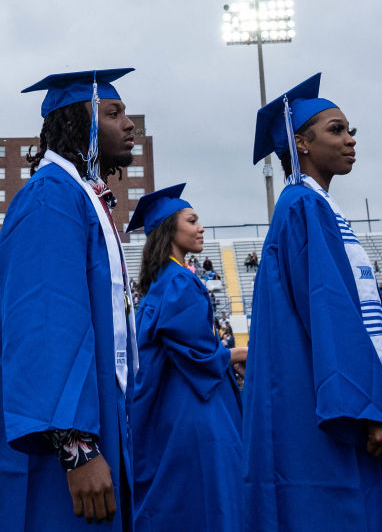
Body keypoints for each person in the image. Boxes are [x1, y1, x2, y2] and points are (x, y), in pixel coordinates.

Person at [0, 68, 139, 531]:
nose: (129, 124)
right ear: (76, 123)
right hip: (57, 439)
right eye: (113, 112)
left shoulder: (79, 195)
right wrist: (77, 448)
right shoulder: (51, 196)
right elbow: (47, 324)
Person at [243, 73, 382, 530]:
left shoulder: (313, 206)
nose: (350, 140)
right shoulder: (304, 205)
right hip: (324, 410)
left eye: (350, 130)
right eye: (336, 130)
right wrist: (372, 411)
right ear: (300, 143)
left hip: (317, 399)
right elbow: (330, 313)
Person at [126, 184, 246, 530]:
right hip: (194, 408)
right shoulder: (179, 282)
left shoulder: (161, 284)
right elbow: (199, 354)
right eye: (192, 220)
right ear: (169, 230)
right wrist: (240, 353)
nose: (201, 227)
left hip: (169, 409)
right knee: (214, 496)